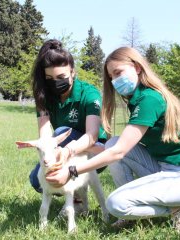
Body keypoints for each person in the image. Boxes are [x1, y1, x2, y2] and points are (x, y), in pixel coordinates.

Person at [46, 47, 180, 232]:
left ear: (137, 67)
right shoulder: (138, 98)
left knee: (115, 204)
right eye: (112, 77)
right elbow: (116, 148)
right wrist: (72, 149)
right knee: (112, 142)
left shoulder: (149, 99)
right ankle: (133, 215)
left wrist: (71, 171)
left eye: (118, 73)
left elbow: (119, 152)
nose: (115, 81)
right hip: (164, 167)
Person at [22, 39, 107, 202]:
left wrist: (68, 150)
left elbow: (92, 134)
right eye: (49, 78)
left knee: (61, 132)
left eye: (61, 76)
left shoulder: (89, 93)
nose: (55, 82)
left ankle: (77, 189)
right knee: (37, 180)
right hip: (61, 147)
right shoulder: (45, 97)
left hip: (95, 151)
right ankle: (78, 196)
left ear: (73, 72)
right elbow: (46, 136)